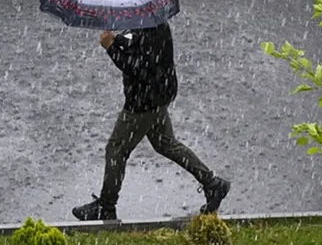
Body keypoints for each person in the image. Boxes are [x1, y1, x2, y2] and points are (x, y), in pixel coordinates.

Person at [72, 22, 230, 221]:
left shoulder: (150, 28)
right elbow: (135, 43)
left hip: (143, 102)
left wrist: (111, 48)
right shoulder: (152, 22)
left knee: (116, 150)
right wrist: (117, 40)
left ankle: (106, 205)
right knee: (165, 143)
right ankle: (214, 184)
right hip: (157, 96)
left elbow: (138, 68)